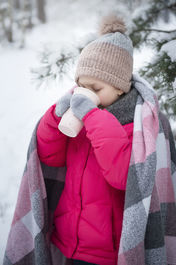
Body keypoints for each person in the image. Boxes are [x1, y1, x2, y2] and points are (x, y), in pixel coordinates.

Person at [36, 12, 135, 265]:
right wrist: (55, 118)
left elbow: (122, 176)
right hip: (69, 240)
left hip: (106, 250)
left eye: (95, 89)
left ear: (119, 87)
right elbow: (50, 158)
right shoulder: (78, 120)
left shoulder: (133, 123)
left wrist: (92, 116)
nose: (86, 94)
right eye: (82, 86)